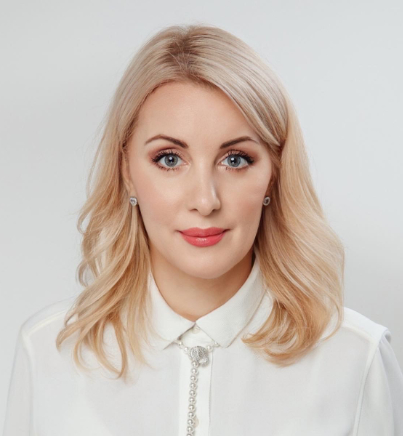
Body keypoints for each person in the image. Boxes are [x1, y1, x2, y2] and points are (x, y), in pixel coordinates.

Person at [3, 24, 403, 436]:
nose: (206, 200)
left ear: (274, 174)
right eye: (169, 159)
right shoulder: (49, 351)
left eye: (236, 160)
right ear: (126, 172)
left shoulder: (355, 359)